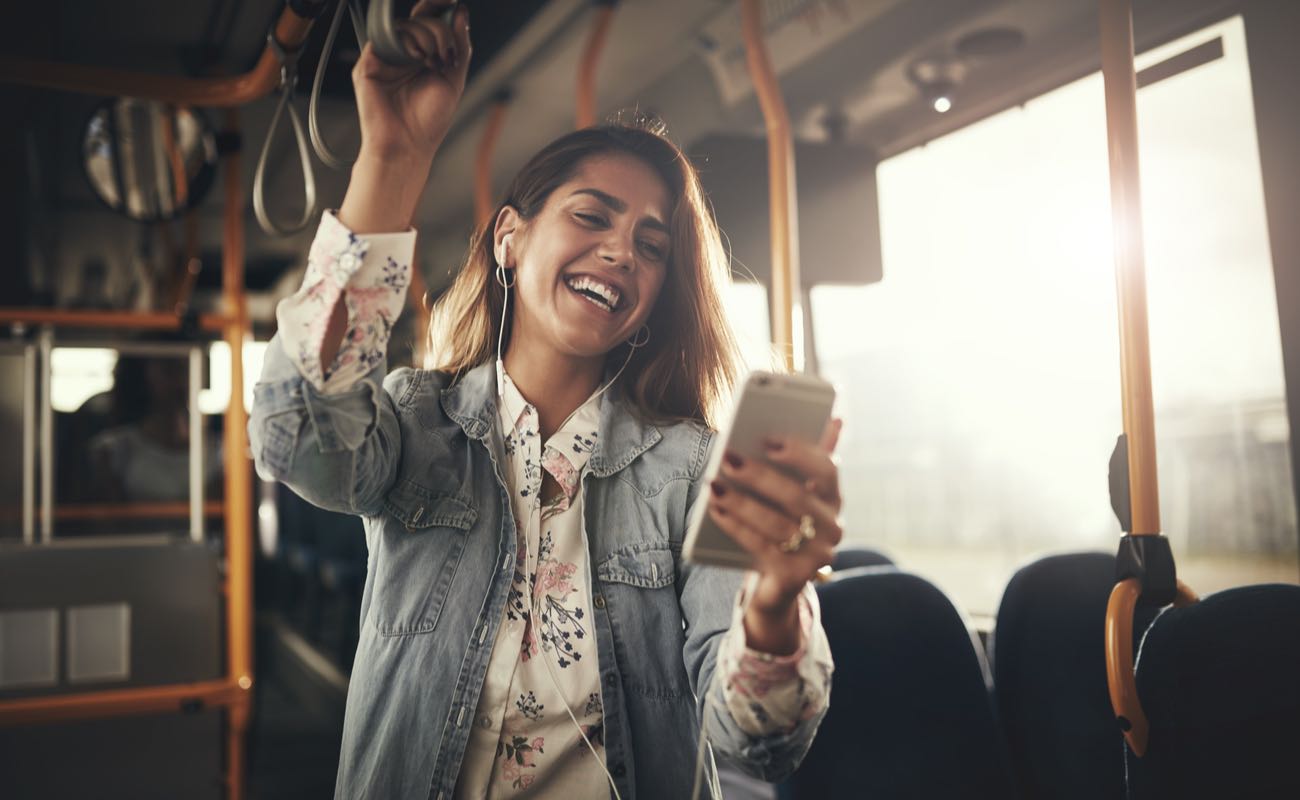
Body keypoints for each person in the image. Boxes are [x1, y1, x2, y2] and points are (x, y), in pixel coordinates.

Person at [249, 4, 842, 797]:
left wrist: (774, 604)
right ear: (509, 239)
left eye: (652, 245)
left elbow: (751, 743)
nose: (620, 251)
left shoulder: (691, 469)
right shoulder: (419, 425)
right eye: (591, 216)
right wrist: (392, 158)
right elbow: (297, 438)